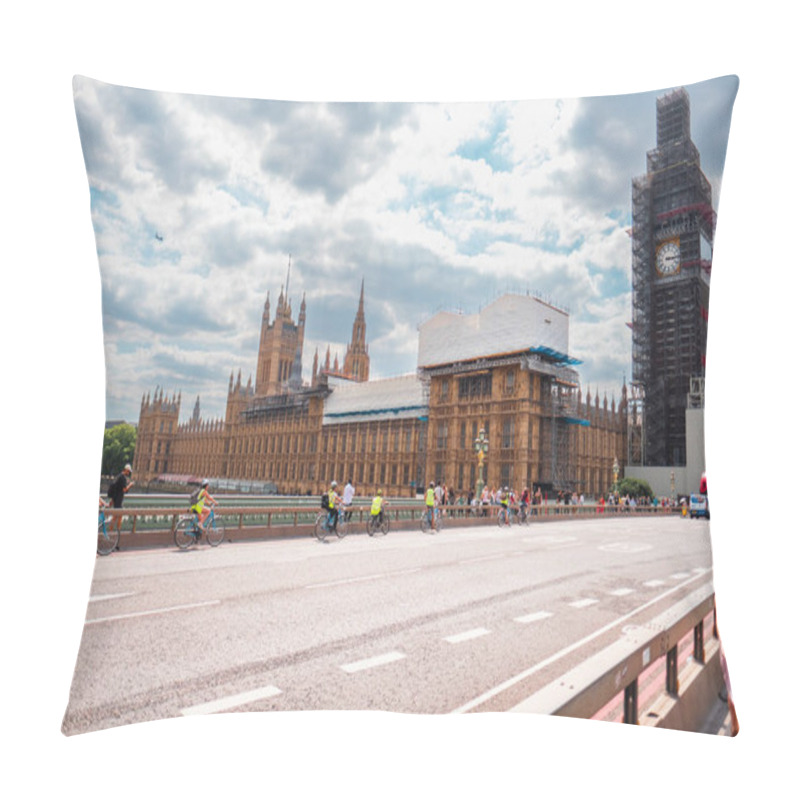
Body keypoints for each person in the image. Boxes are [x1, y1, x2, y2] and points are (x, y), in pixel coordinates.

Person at [107, 464, 133, 538]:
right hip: (118, 500)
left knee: (117, 516)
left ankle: (112, 533)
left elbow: (115, 488)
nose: (129, 473)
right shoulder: (123, 478)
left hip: (115, 499)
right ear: (126, 470)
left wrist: (112, 501)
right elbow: (124, 490)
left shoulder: (118, 476)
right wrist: (130, 485)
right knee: (116, 517)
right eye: (129, 472)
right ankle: (114, 534)